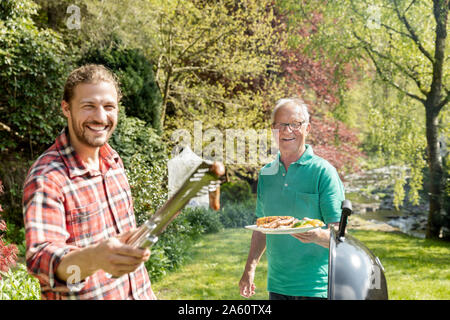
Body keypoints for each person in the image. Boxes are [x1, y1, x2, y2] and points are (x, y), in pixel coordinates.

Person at [22, 64, 156, 300]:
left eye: (109, 107)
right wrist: (96, 258)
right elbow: (41, 257)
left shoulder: (114, 162)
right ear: (66, 108)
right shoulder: (47, 177)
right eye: (89, 106)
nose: (100, 117)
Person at [239, 97, 345, 300]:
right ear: (273, 130)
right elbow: (262, 228)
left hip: (316, 289)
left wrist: (318, 236)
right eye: (282, 125)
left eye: (295, 124)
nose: (288, 131)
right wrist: (249, 269)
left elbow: (341, 235)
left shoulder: (323, 172)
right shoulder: (266, 174)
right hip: (277, 287)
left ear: (307, 129)